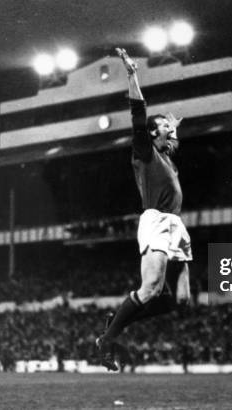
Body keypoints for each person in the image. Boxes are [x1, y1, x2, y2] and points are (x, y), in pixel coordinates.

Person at [95, 48, 193, 371]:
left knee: (177, 300)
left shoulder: (168, 159)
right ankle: (107, 340)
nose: (169, 127)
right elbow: (139, 115)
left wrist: (171, 127)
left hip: (176, 226)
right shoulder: (145, 151)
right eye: (164, 125)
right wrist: (132, 74)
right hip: (157, 221)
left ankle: (115, 323)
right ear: (153, 133)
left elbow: (171, 136)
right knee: (150, 288)